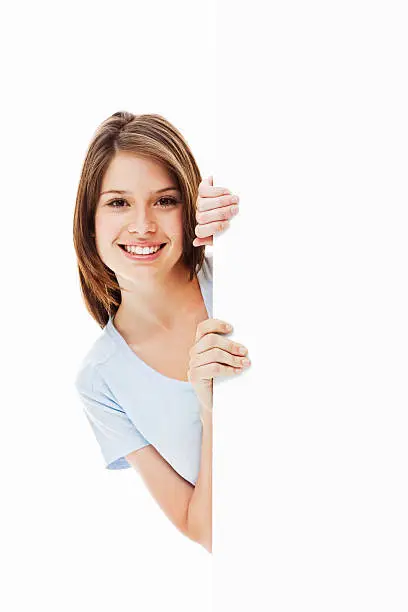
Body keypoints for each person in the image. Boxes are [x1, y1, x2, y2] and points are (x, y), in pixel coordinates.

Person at [73, 111, 251, 554]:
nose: (143, 225)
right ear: (89, 220)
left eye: (165, 200)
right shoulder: (100, 380)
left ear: (189, 206)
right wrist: (212, 411)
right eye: (118, 202)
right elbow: (206, 530)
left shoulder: (239, 273)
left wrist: (249, 222)